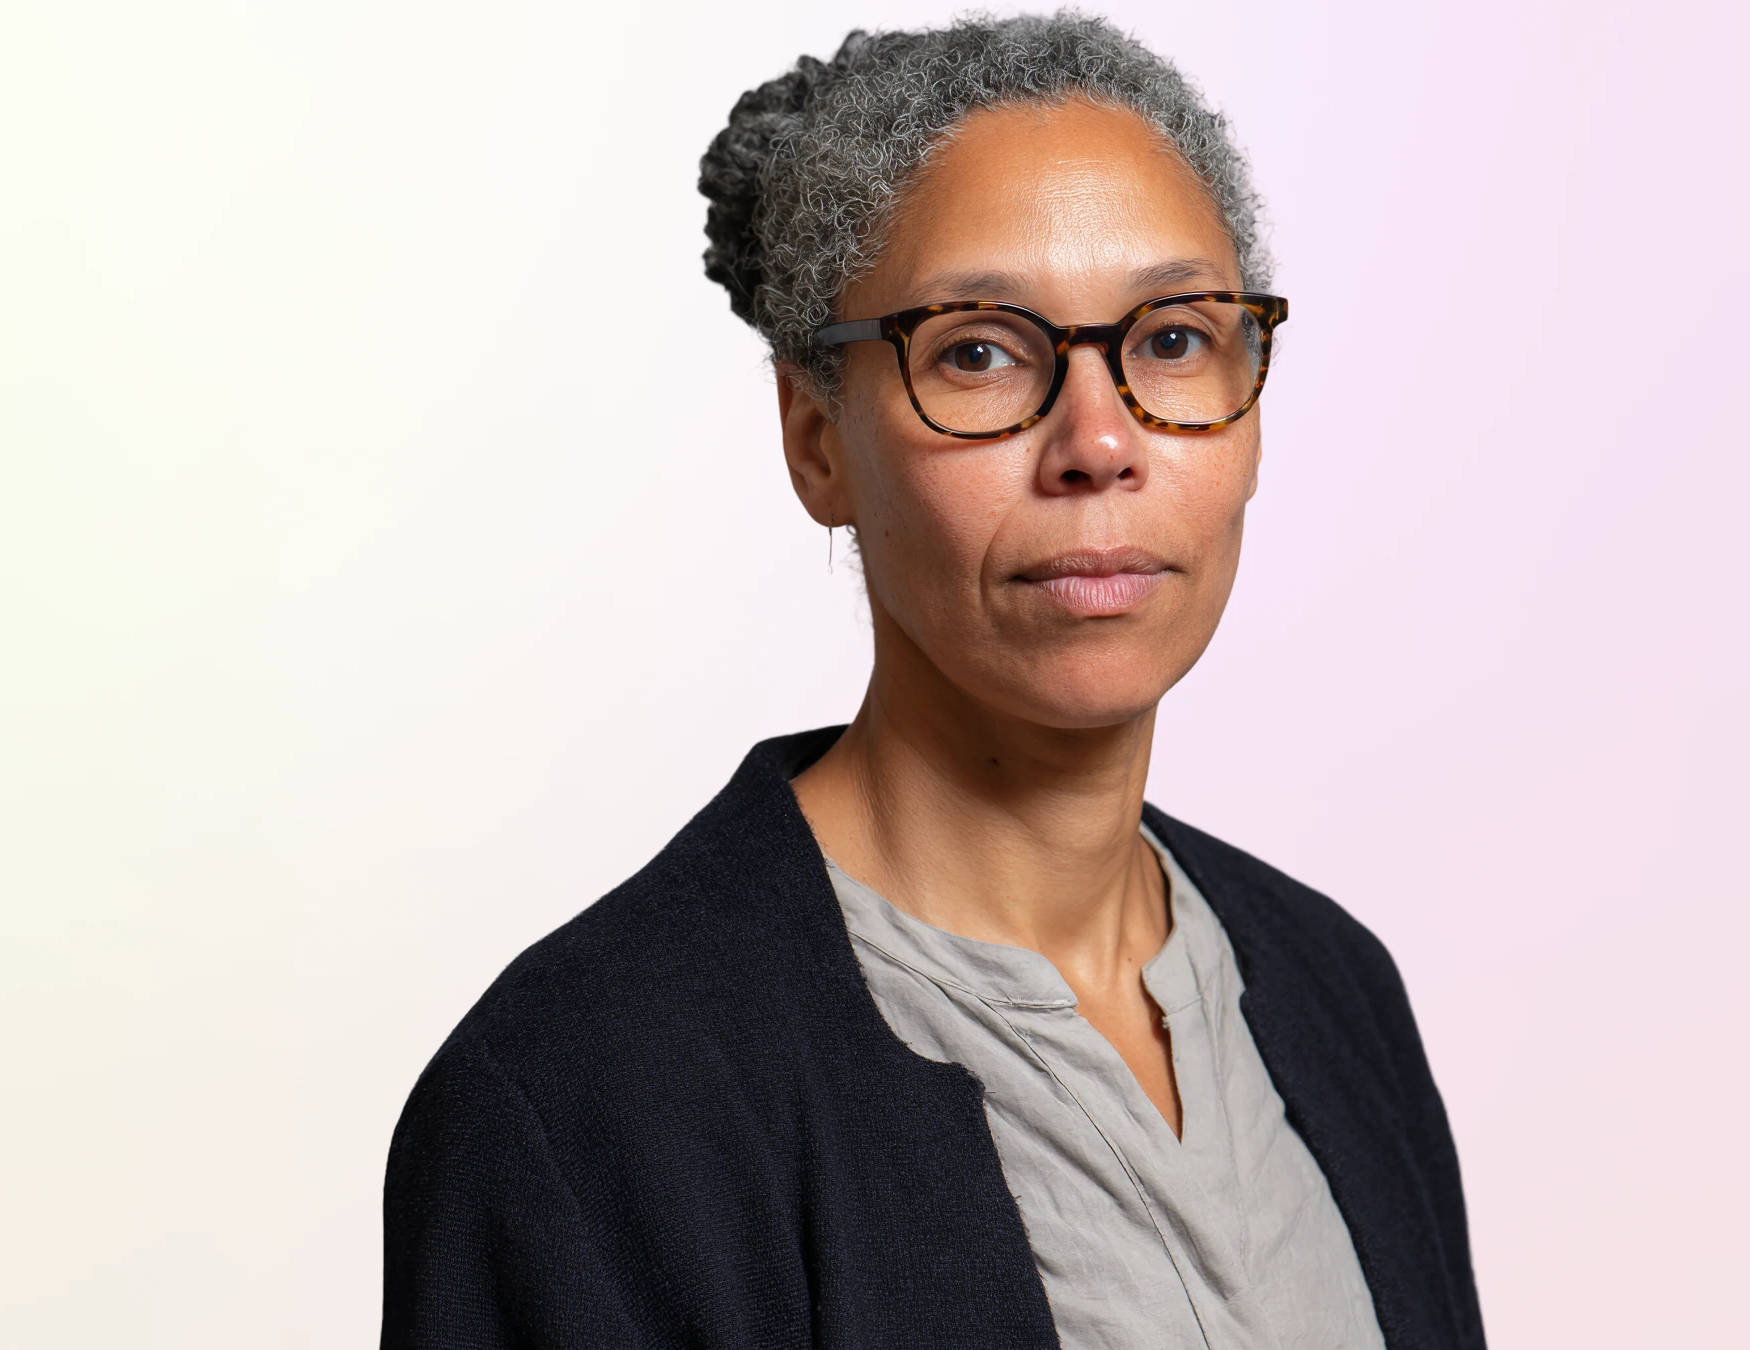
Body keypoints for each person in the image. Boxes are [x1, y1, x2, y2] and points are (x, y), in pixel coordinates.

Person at [382, 14, 1482, 1349]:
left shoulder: (1330, 988)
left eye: (1176, 339)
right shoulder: (586, 1101)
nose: (1099, 441)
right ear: (816, 442)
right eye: (979, 350)